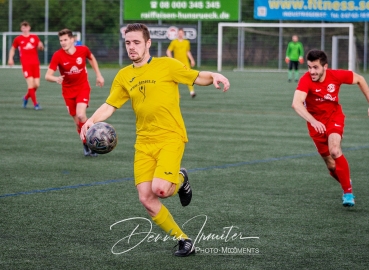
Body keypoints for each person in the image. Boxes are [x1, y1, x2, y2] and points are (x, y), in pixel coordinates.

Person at [80, 23, 230, 256]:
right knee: (146, 199)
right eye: (128, 42)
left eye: (136, 42)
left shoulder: (166, 65)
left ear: (148, 43)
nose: (131, 47)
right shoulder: (124, 75)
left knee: (161, 189)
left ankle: (181, 179)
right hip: (144, 142)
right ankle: (184, 240)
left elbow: (197, 77)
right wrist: (91, 121)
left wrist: (214, 75)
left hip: (170, 136)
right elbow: (110, 105)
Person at [291, 49, 369, 207]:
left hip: (334, 118)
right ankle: (345, 180)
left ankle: (348, 192)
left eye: (315, 67)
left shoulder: (336, 75)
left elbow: (360, 79)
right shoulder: (306, 80)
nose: (311, 71)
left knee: (335, 150)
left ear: (325, 67)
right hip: (316, 125)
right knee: (331, 164)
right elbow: (296, 103)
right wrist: (313, 121)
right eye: (309, 67)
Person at [45, 28, 105, 157]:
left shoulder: (83, 50)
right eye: (61, 40)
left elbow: (92, 58)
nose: (63, 42)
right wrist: (56, 78)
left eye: (65, 39)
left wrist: (99, 75)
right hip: (67, 91)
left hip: (83, 87)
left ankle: (91, 143)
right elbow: (47, 75)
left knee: (81, 115)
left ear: (72, 40)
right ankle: (85, 143)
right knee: (78, 122)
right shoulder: (58, 55)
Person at [8, 21, 44, 110]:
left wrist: (41, 46)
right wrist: (10, 58)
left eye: (26, 27)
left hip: (35, 64)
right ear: (21, 29)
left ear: (29, 28)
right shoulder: (18, 39)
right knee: (31, 84)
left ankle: (25, 97)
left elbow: (41, 48)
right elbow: (12, 49)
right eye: (23, 28)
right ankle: (36, 104)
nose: (25, 29)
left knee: (37, 85)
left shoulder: (35, 37)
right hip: (26, 64)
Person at [166, 28, 197, 98]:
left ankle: (192, 92)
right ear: (177, 34)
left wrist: (192, 60)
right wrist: (171, 59)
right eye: (179, 33)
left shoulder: (186, 42)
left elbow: (187, 52)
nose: (180, 34)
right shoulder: (174, 42)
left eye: (181, 33)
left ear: (183, 34)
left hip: (185, 62)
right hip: (177, 63)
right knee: (175, 79)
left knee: (189, 76)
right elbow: (168, 51)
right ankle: (177, 94)